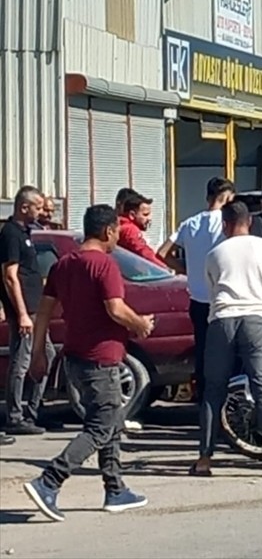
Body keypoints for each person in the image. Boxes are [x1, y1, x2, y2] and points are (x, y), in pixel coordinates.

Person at [22, 205, 154, 521]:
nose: (117, 239)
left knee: (110, 421)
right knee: (100, 426)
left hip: (76, 358)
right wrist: (140, 325)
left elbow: (43, 312)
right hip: (101, 360)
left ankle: (115, 488)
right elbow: (116, 309)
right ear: (108, 231)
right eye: (117, 233)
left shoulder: (63, 265)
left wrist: (38, 352)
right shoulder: (104, 265)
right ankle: (49, 481)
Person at [191, 202, 262, 478]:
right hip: (256, 320)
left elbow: (212, 292)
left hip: (221, 321)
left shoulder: (214, 254)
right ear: (249, 222)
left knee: (212, 390)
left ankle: (204, 459)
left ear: (225, 225)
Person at [157, 177, 234, 409]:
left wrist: (186, 268)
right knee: (227, 353)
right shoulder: (226, 223)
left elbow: (161, 253)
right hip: (222, 298)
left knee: (202, 351)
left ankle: (203, 399)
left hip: (197, 298)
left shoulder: (190, 223)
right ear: (228, 198)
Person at [3, 185, 55, 435]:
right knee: (22, 360)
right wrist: (22, 313)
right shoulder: (11, 234)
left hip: (36, 306)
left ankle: (33, 411)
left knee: (46, 354)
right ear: (24, 207)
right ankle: (14, 416)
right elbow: (10, 275)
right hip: (26, 310)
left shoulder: (26, 232)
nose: (41, 211)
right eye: (37, 206)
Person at [116, 192, 166, 267]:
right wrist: (163, 267)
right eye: (145, 214)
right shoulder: (130, 229)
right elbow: (143, 252)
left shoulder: (120, 224)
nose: (149, 218)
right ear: (132, 215)